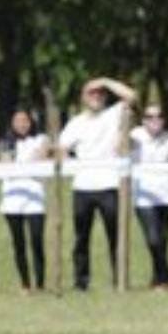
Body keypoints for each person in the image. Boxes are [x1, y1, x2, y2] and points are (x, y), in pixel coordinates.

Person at [58, 77, 137, 290]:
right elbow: (62, 147)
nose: (96, 97)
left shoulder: (112, 114)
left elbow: (131, 95)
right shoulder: (76, 123)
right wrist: (67, 160)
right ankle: (81, 282)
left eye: (100, 94)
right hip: (82, 187)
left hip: (110, 185)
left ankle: (119, 280)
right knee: (81, 239)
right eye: (92, 93)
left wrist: (104, 81)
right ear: (84, 98)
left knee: (115, 236)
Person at [0, 109, 49, 291]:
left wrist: (24, 163)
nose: (22, 124)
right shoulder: (6, 143)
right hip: (12, 198)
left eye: (25, 120)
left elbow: (40, 156)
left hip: (35, 198)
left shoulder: (41, 139)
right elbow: (6, 164)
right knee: (18, 243)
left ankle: (40, 283)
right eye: (17, 120)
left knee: (36, 240)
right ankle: (25, 284)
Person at [130, 103, 168, 289]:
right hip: (144, 197)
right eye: (150, 116)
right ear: (143, 120)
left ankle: (159, 279)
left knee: (162, 240)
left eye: (159, 116)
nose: (155, 120)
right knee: (153, 239)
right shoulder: (135, 137)